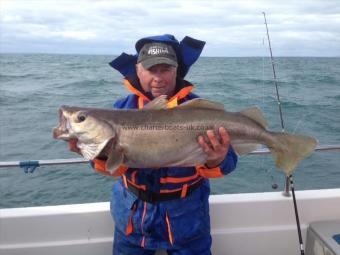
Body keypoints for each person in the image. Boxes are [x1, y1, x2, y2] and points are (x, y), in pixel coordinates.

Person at [71, 34, 238, 255]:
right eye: (151, 70)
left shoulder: (199, 111)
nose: (158, 78)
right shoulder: (120, 110)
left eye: (165, 69)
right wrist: (98, 154)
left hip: (188, 219)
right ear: (138, 71)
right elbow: (113, 169)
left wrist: (216, 158)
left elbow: (230, 163)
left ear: (176, 70)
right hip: (132, 219)